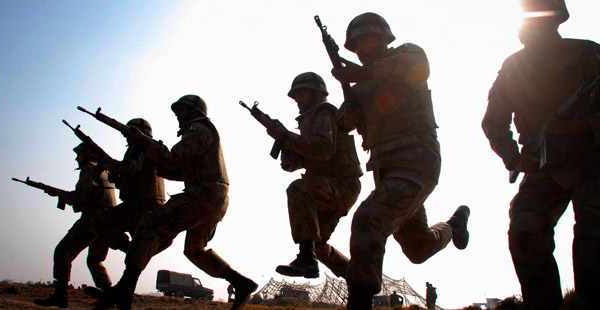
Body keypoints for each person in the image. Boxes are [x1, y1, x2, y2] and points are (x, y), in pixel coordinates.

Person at [330, 12, 471, 309]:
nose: (361, 49)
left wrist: (361, 74)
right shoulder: (359, 88)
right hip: (386, 170)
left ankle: (360, 302)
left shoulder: (408, 54)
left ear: (383, 39)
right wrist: (347, 119)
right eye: (355, 45)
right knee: (418, 248)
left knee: (369, 219)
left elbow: (418, 68)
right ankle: (453, 227)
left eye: (366, 40)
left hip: (416, 160)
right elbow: (342, 122)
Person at [482, 1, 600, 309]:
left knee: (594, 242)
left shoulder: (587, 55)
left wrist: (582, 127)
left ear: (556, 21)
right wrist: (516, 158)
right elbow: (493, 122)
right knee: (524, 234)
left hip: (593, 161)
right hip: (542, 167)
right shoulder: (513, 66)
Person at [86, 95, 257, 310]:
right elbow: (178, 169)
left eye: (182, 110)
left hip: (203, 195)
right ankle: (242, 283)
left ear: (195, 111)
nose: (177, 115)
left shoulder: (197, 129)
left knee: (149, 224)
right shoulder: (200, 132)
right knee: (195, 250)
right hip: (213, 198)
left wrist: (145, 144)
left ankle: (124, 289)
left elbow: (174, 160)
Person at [267, 72, 363, 279]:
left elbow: (323, 150)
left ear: (317, 94)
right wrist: (288, 151)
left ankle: (306, 259)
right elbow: (304, 161)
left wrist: (288, 137)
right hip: (326, 185)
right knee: (317, 245)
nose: (297, 100)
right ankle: (359, 281)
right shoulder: (309, 119)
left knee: (298, 189)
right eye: (296, 97)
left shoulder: (323, 114)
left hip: (341, 184)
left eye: (301, 95)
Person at [33, 143, 117, 308]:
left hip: (93, 220)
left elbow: (79, 197)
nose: (76, 158)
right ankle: (109, 297)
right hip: (110, 220)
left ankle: (60, 296)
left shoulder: (88, 170)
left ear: (88, 155)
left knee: (63, 251)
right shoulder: (104, 171)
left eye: (79, 154)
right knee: (94, 260)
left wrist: (59, 194)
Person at [91, 118, 166, 253]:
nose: (125, 136)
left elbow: (128, 167)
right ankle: (135, 254)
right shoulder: (147, 148)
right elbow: (134, 178)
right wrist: (119, 180)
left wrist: (104, 159)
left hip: (142, 205)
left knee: (99, 222)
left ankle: (131, 251)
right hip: (143, 204)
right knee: (140, 246)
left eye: (127, 132)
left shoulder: (140, 147)